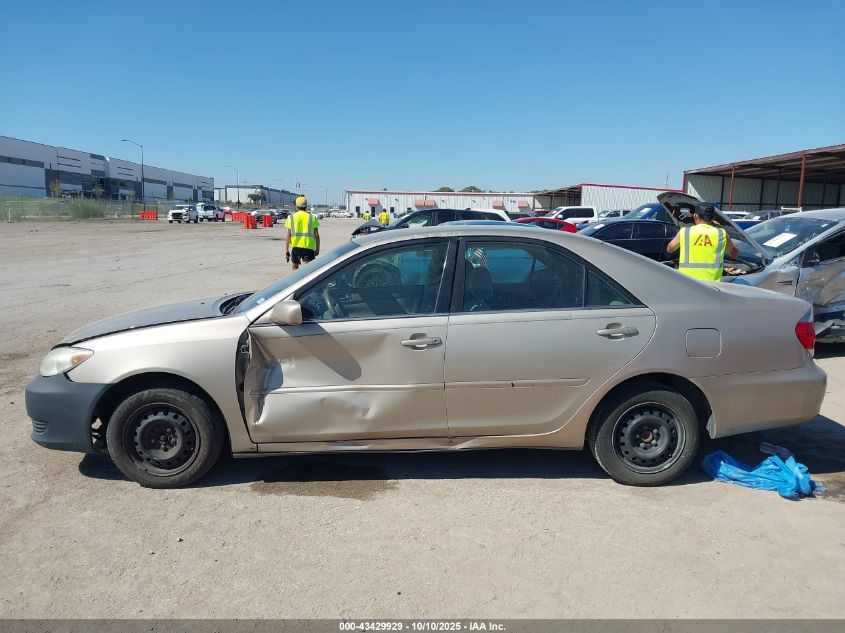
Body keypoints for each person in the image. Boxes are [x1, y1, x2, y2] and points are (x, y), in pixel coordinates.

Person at [666, 202, 738, 281]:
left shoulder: (685, 232)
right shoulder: (721, 233)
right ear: (713, 218)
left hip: (687, 283)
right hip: (713, 285)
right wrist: (720, 228)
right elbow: (734, 254)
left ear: (695, 216)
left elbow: (670, 249)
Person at [284, 196, 320, 271]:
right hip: (308, 246)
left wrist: (286, 250)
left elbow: (288, 235)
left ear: (296, 206)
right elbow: (316, 235)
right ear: (306, 206)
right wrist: (317, 249)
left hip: (296, 246)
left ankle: (295, 281)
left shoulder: (291, 217)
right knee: (309, 269)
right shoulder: (312, 217)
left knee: (295, 267)